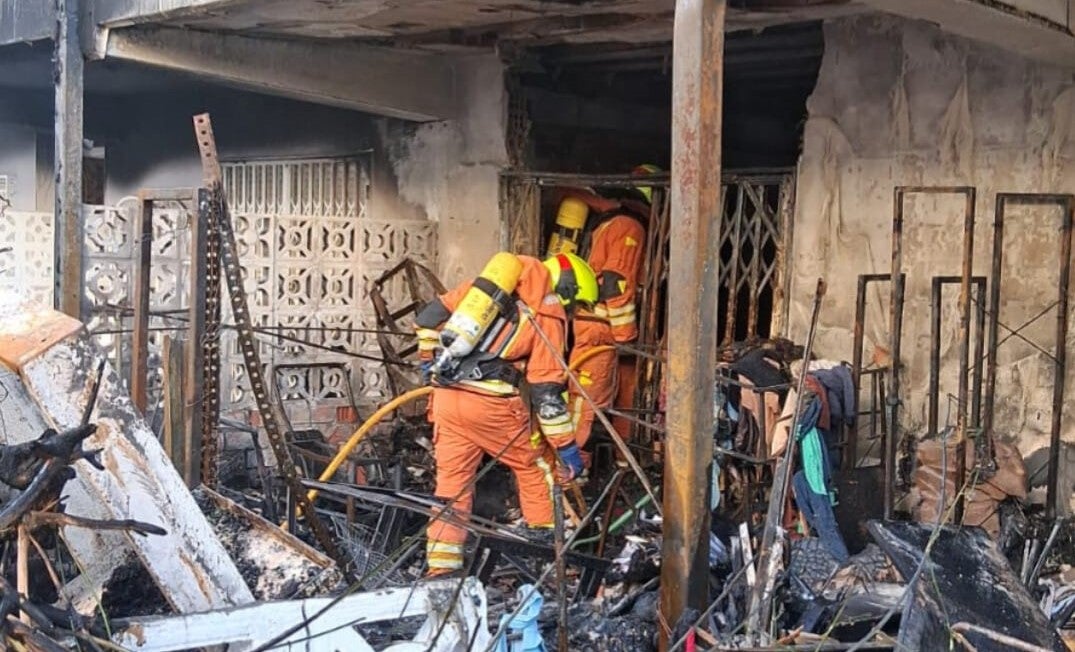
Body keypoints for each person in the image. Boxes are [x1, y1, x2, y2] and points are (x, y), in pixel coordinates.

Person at [414, 251, 598, 577]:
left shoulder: (484, 292)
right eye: (576, 305)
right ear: (568, 289)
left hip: (445, 399)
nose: (572, 312)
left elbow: (428, 317)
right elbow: (546, 392)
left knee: (452, 486)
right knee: (535, 468)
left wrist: (428, 358)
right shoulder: (549, 311)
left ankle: (441, 570)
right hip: (492, 406)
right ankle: (549, 562)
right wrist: (567, 448)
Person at [553, 165, 659, 462]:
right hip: (602, 329)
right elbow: (616, 283)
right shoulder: (630, 226)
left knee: (613, 395)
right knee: (585, 403)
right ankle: (571, 471)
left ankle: (621, 462)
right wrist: (626, 336)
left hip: (597, 325)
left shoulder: (611, 223)